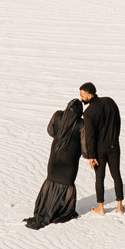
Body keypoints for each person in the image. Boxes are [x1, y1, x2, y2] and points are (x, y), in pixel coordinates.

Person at [25, 98, 84, 229]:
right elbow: (84, 145)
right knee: (67, 183)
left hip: (56, 154)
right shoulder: (80, 123)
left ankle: (45, 208)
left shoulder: (58, 115)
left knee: (51, 180)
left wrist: (59, 137)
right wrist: (87, 155)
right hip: (71, 158)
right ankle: (63, 210)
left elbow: (50, 130)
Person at [79, 82, 123, 214]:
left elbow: (90, 137)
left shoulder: (88, 113)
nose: (81, 98)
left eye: (83, 95)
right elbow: (118, 121)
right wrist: (115, 138)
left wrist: (91, 156)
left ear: (89, 94)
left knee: (100, 178)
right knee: (116, 175)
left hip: (99, 150)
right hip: (114, 145)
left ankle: (101, 208)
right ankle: (119, 207)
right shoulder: (110, 101)